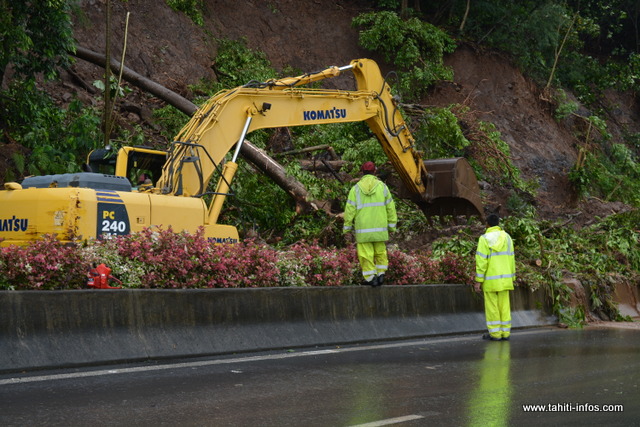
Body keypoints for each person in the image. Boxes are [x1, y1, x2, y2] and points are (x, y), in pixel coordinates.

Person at [343, 161, 397, 287]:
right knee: (380, 251)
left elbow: (349, 210)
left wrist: (347, 227)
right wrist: (392, 225)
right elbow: (390, 207)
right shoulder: (382, 187)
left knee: (365, 255)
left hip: (363, 229)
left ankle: (371, 278)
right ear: (374, 171)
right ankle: (381, 274)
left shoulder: (355, 189)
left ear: (362, 172)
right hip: (380, 228)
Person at [474, 213, 515, 341]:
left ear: (487, 224)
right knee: (504, 306)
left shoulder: (484, 238)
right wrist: (512, 277)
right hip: (505, 279)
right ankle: (505, 333)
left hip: (491, 280)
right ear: (498, 223)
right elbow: (512, 258)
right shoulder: (507, 238)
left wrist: (478, 280)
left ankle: (495, 334)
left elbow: (481, 261)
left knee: (492, 307)